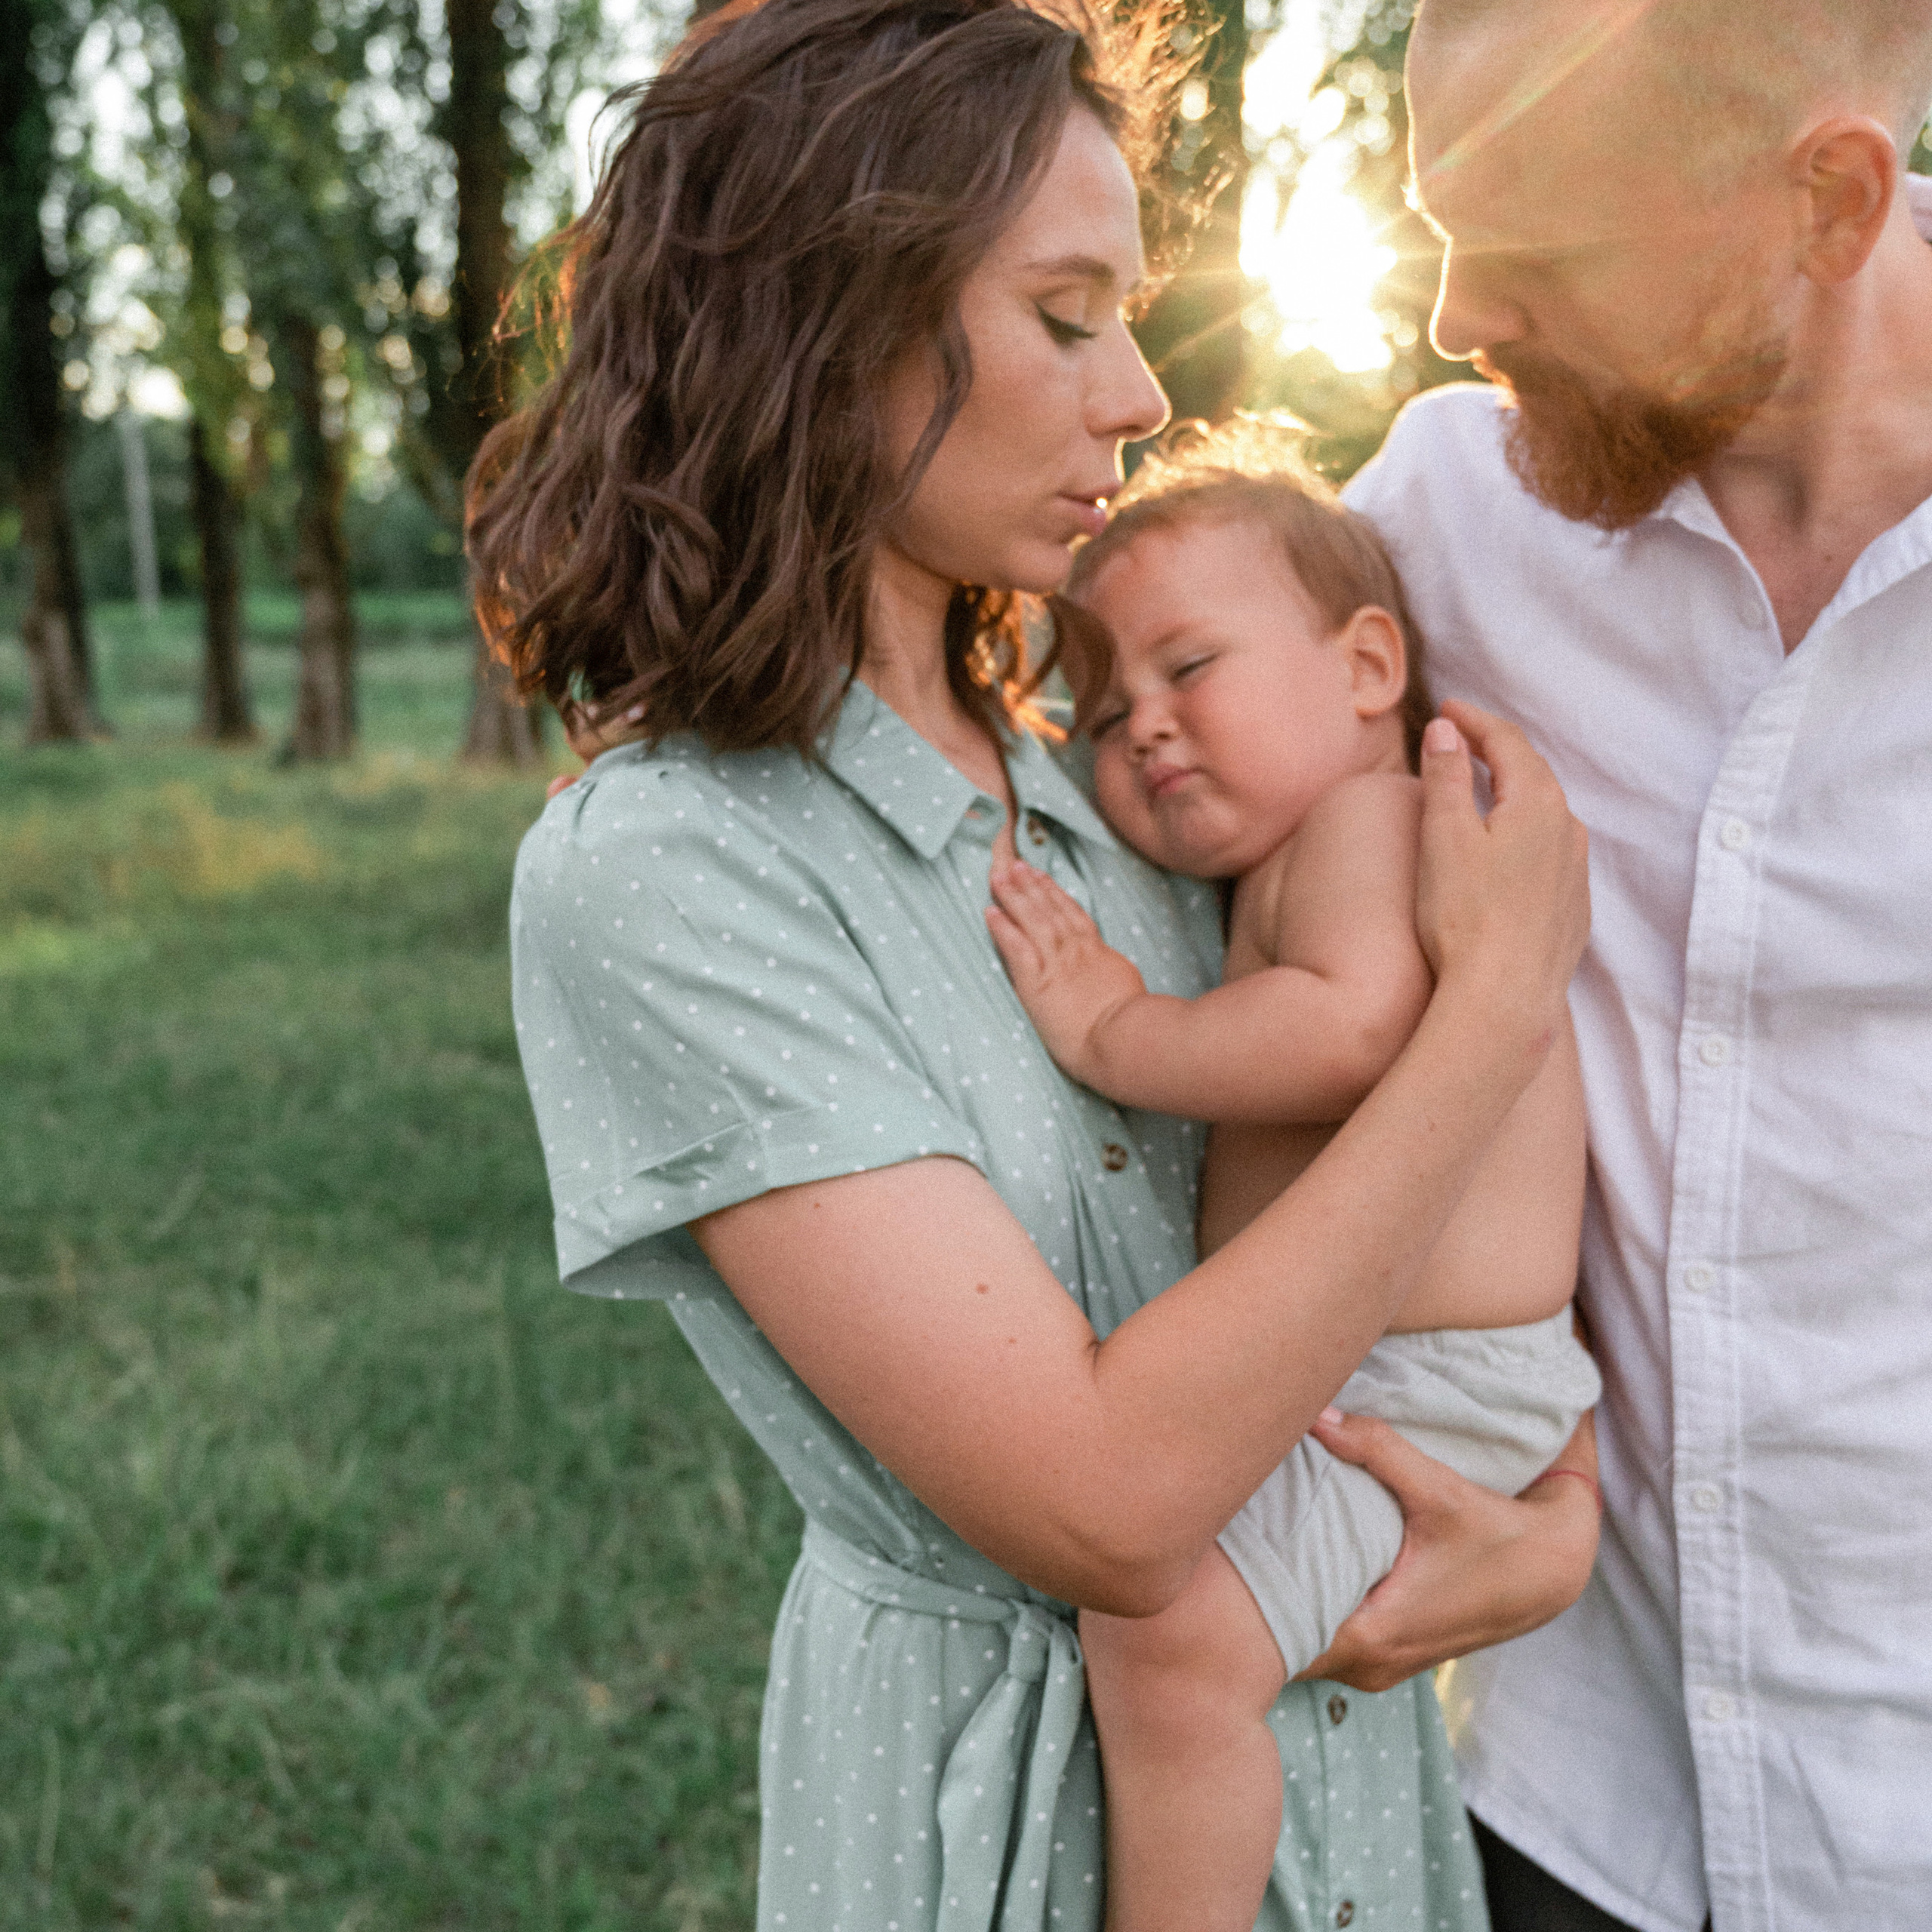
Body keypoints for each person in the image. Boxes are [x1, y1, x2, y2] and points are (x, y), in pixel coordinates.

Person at [472, 0, 1598, 1925]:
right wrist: (1487, 1014)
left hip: (1346, 1797)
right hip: (994, 1837)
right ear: (825, 320)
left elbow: (1381, 1245)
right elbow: (1103, 1500)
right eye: (1067, 315)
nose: (1140, 393)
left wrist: (1548, 1527)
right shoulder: (672, 868)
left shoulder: (1109, 784)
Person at [1331, 2, 1932, 1927]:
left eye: (1537, 247)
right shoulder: (1434, 523)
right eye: (1436, 224)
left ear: (1828, 203)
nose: (1451, 320)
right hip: (1586, 1792)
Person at [979, 448, 1603, 1932]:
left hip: (1437, 1384)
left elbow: (1354, 1029)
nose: (1145, 724)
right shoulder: (1289, 849)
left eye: (1190, 666)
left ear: (1368, 665)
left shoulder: (1375, 823)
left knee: (1168, 1643)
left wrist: (1115, 1027)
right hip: (1378, 1372)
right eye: (1105, 713)